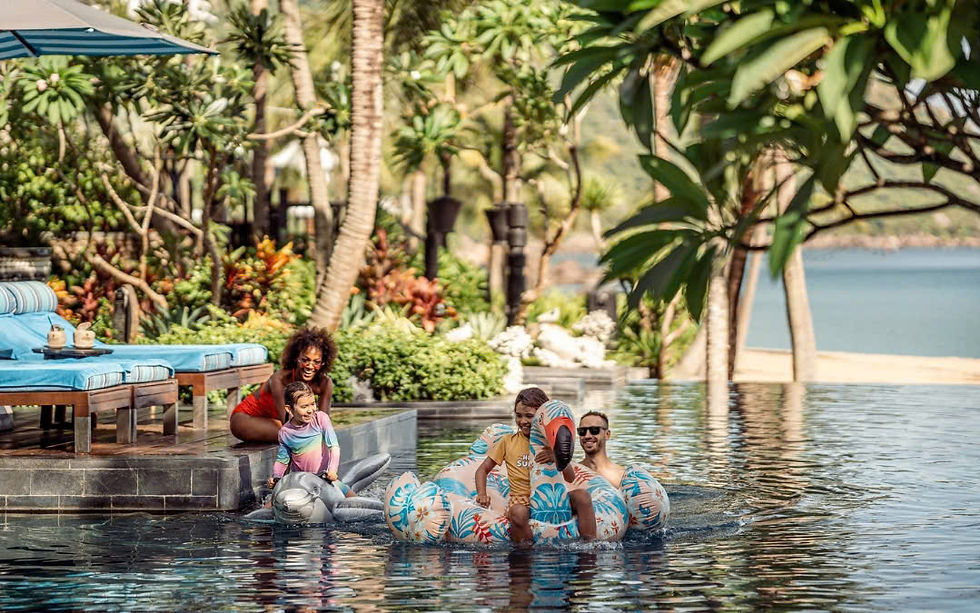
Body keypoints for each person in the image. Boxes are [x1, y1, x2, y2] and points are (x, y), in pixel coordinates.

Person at [475, 388, 596, 543]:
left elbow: (570, 477)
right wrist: (482, 494)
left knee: (583, 496)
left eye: (529, 416)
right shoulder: (507, 442)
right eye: (518, 415)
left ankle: (591, 544)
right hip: (522, 500)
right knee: (518, 513)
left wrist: (556, 456)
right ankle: (527, 553)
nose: (523, 421)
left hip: (553, 498)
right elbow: (482, 470)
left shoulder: (551, 443)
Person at [231, 327, 337, 443]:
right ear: (297, 358)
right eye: (305, 360)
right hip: (245, 419)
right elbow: (288, 421)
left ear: (323, 363)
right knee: (296, 435)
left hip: (275, 423)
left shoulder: (324, 384)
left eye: (316, 362)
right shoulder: (279, 379)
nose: (310, 366)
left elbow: (324, 422)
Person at [265, 381, 354, 497]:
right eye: (304, 406)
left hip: (324, 477)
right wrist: (276, 478)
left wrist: (332, 470)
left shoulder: (320, 419)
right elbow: (283, 460)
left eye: (313, 404)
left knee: (350, 496)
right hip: (300, 482)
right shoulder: (285, 432)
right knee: (271, 505)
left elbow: (334, 446)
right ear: (289, 409)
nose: (310, 410)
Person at [577, 410, 626, 488]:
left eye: (594, 430)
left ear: (607, 434)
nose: (587, 436)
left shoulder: (622, 476)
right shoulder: (571, 474)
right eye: (582, 431)